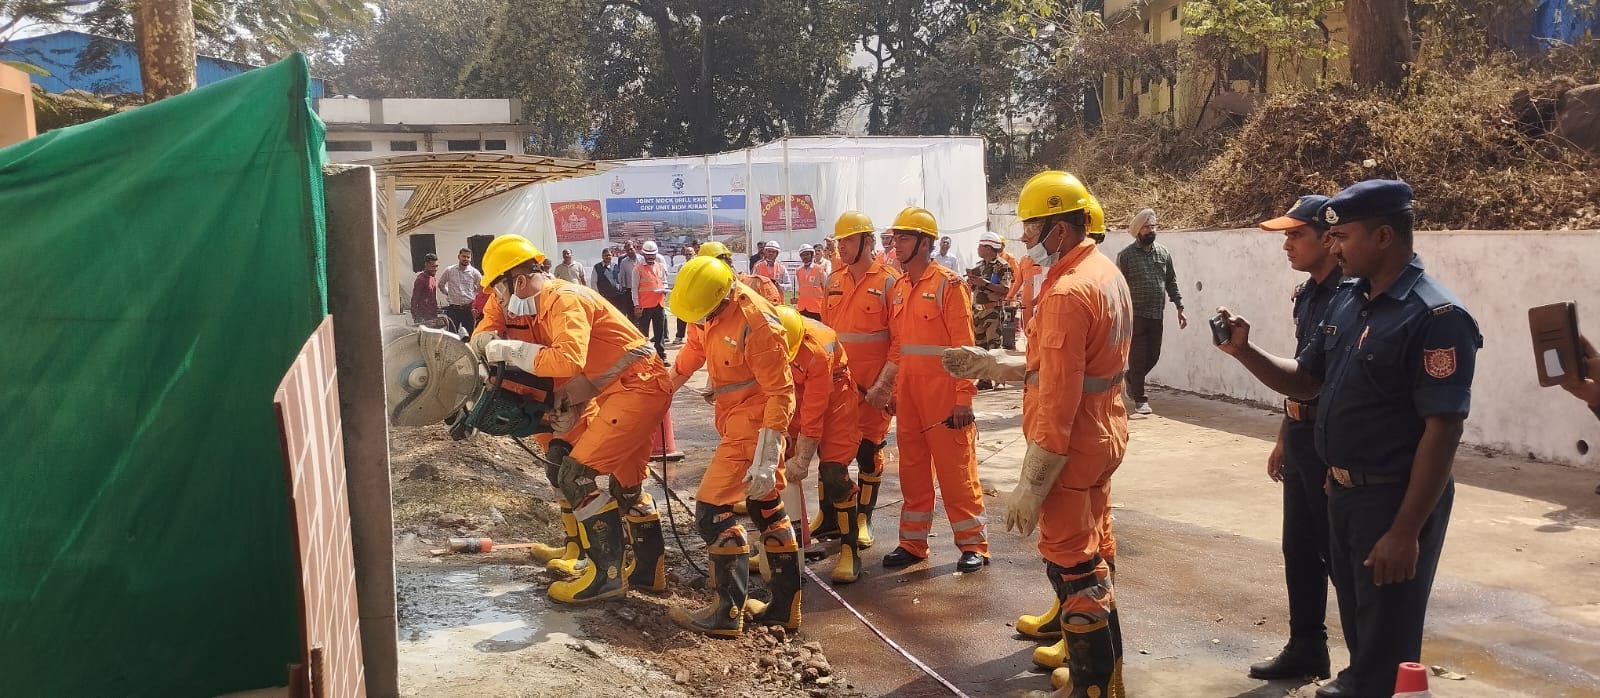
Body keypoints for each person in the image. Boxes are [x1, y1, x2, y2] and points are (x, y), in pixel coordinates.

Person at [1215, 180, 1481, 698]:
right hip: (1346, 492)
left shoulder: (1435, 317)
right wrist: (1245, 352)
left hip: (1395, 497)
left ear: (1384, 236)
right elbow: (1307, 380)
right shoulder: (1349, 302)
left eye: (1344, 236)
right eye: (1331, 236)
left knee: (1389, 633)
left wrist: (1406, 530)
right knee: (1362, 622)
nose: (1334, 246)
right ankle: (1360, 679)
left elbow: (1443, 429)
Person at [942, 170, 1132, 696]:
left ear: (1060, 232)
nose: (1024, 240)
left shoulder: (1069, 292)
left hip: (1071, 444)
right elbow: (1069, 366)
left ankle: (1092, 687)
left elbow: (1059, 397)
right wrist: (994, 363)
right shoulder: (1103, 272)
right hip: (1104, 430)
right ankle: (1108, 676)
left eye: (1030, 229)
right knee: (1093, 551)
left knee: (1073, 565)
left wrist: (1033, 478)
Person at [469, 235, 675, 605]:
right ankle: (648, 571)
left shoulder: (564, 299)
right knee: (627, 485)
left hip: (636, 388)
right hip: (624, 387)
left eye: (498, 289)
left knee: (576, 475)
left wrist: (510, 349)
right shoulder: (541, 301)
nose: (497, 300)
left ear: (515, 280)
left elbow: (567, 360)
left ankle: (606, 578)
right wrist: (574, 403)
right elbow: (597, 367)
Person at [667, 256, 801, 636]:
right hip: (734, 419)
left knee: (711, 511)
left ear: (724, 297)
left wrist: (769, 450)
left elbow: (781, 391)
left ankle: (726, 614)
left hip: (755, 424)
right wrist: (665, 386)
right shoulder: (707, 307)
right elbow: (693, 348)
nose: (701, 319)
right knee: (766, 506)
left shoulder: (757, 324)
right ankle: (783, 610)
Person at [1249, 195, 1343, 683]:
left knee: (1341, 556)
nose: (1286, 244)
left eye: (1295, 234)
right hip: (1304, 433)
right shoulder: (1308, 294)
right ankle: (1307, 647)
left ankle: (1368, 667)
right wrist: (1286, 435)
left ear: (1329, 237)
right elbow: (1302, 374)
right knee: (1300, 548)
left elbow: (1326, 382)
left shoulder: (1350, 297)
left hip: (1335, 441)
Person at [866, 207, 988, 574]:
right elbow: (902, 347)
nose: (896, 244)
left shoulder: (949, 285)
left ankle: (973, 545)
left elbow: (966, 348)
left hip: (944, 398)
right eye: (895, 238)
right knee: (913, 473)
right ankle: (912, 543)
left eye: (903, 238)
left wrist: (964, 397)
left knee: (956, 473)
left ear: (924, 243)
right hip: (912, 398)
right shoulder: (901, 287)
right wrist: (895, 393)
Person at [813, 212, 900, 549]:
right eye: (839, 241)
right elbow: (825, 334)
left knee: (868, 452)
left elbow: (900, 340)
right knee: (829, 453)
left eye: (847, 241)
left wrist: (887, 385)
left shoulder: (890, 282)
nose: (841, 247)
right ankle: (829, 516)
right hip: (838, 389)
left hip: (873, 390)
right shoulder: (833, 280)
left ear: (867, 241)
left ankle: (863, 518)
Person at [773, 305, 865, 583]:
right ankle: (783, 545)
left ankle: (850, 550)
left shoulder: (817, 351)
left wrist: (802, 460)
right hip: (794, 391)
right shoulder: (772, 331)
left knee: (834, 473)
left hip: (836, 393)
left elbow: (813, 412)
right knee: (776, 462)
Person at [1116, 208, 1187, 415]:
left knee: (1153, 356)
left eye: (1153, 226)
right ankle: (1140, 399)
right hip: (1135, 315)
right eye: (1146, 227)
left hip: (1157, 313)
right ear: (1138, 230)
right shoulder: (1126, 256)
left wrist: (1179, 306)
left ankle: (1130, 378)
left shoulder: (1163, 253)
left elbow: (1171, 280)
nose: (1150, 230)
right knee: (1138, 358)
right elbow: (1118, 285)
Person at [966, 232, 1013, 389]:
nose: (978, 249)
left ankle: (999, 380)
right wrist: (971, 281)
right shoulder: (979, 267)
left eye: (980, 246)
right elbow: (972, 287)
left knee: (994, 347)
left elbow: (1005, 289)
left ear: (989, 248)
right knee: (980, 348)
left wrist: (984, 283)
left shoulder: (1002, 266)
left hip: (992, 312)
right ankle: (984, 379)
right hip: (978, 312)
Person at [632, 241, 670, 360]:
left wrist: (665, 289)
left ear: (656, 254)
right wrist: (636, 305)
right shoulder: (637, 269)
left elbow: (664, 282)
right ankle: (644, 357)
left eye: (652, 254)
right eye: (647, 254)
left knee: (660, 333)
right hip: (645, 305)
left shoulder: (660, 266)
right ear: (643, 254)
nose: (650, 257)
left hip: (659, 304)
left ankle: (661, 356)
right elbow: (634, 289)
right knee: (644, 333)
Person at [438, 248, 483, 333]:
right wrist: (448, 293)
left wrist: (476, 302)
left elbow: (481, 289)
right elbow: (441, 285)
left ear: (470, 259)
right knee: (452, 334)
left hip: (468, 309)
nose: (466, 259)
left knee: (470, 333)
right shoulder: (449, 270)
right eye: (464, 256)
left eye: (468, 257)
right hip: (453, 309)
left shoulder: (474, 273)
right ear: (459, 257)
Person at [793, 244, 828, 321]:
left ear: (812, 255)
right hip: (802, 307)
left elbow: (826, 287)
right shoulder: (798, 270)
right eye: (803, 255)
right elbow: (798, 289)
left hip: (816, 308)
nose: (805, 257)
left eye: (807, 254)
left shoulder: (820, 269)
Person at [593, 247, 630, 313]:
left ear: (612, 256)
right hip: (605, 297)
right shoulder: (597, 267)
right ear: (602, 256)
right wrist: (597, 295)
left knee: (618, 314)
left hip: (617, 297)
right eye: (605, 255)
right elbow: (593, 282)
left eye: (609, 255)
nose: (607, 257)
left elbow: (620, 279)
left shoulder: (616, 266)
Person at [411, 253, 441, 325]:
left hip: (433, 315)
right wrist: (417, 317)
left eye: (436, 266)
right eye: (432, 266)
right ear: (426, 265)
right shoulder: (421, 279)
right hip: (423, 317)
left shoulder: (433, 277)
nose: (435, 269)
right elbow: (414, 300)